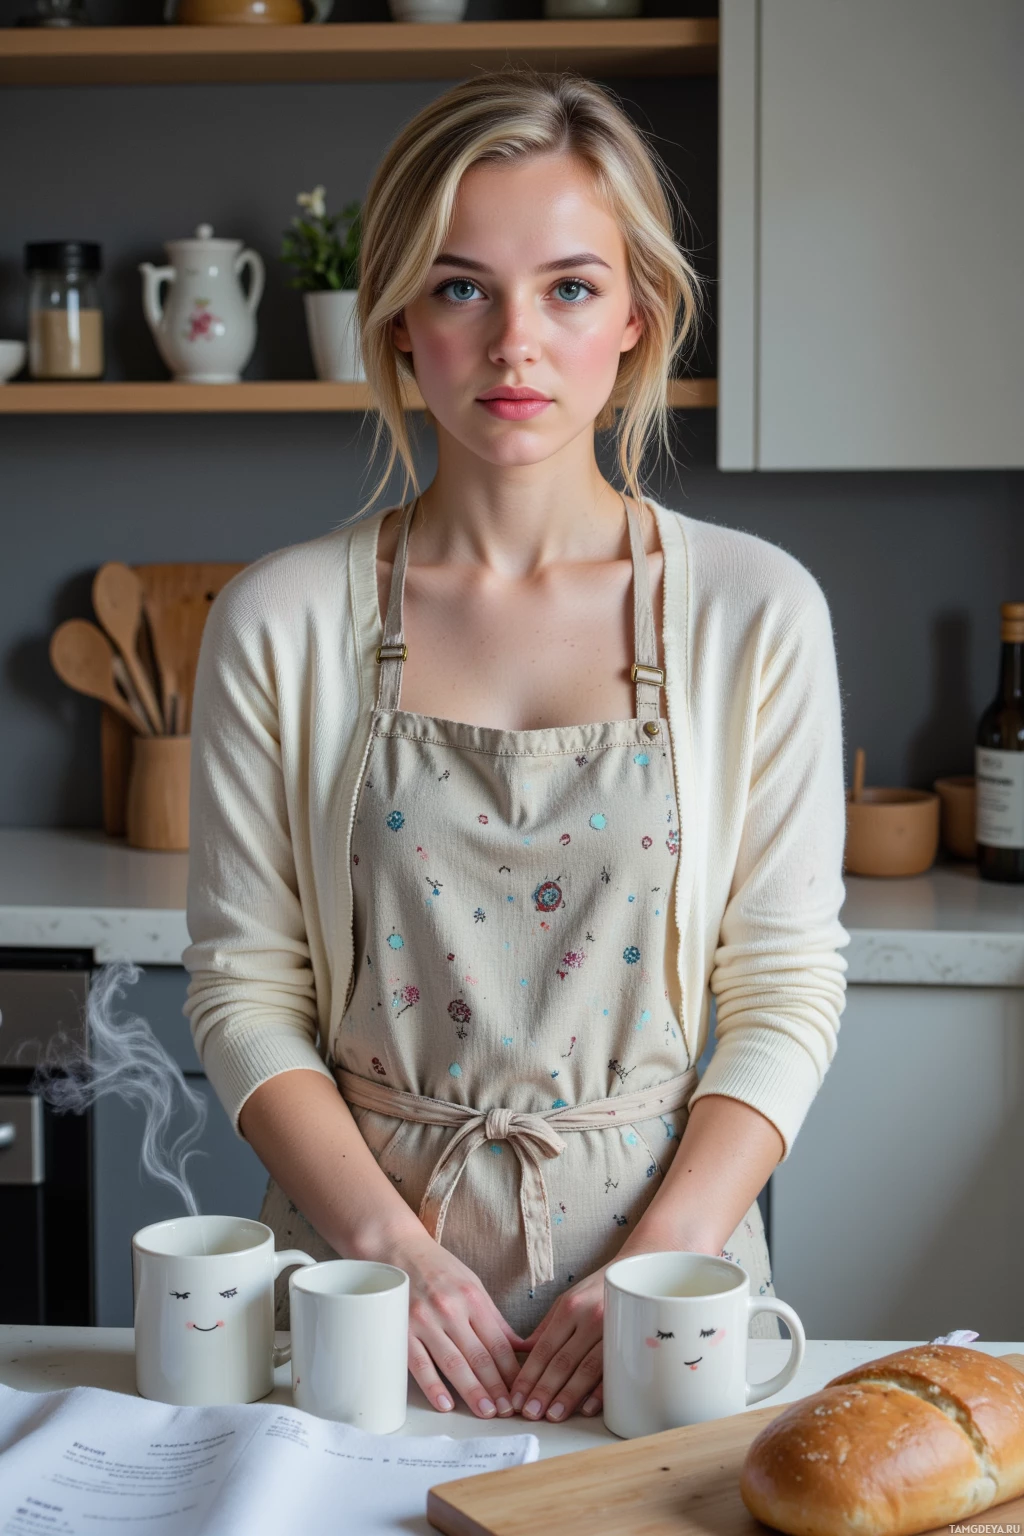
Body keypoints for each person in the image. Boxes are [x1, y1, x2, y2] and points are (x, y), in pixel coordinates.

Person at [182, 68, 849, 1429]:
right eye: (462, 285)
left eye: (569, 287)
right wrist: (387, 1253)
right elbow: (245, 993)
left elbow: (783, 992)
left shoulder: (754, 611)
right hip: (358, 1312)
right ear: (399, 322)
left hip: (666, 1297)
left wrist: (669, 1259)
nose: (515, 345)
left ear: (637, 318)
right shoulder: (279, 620)